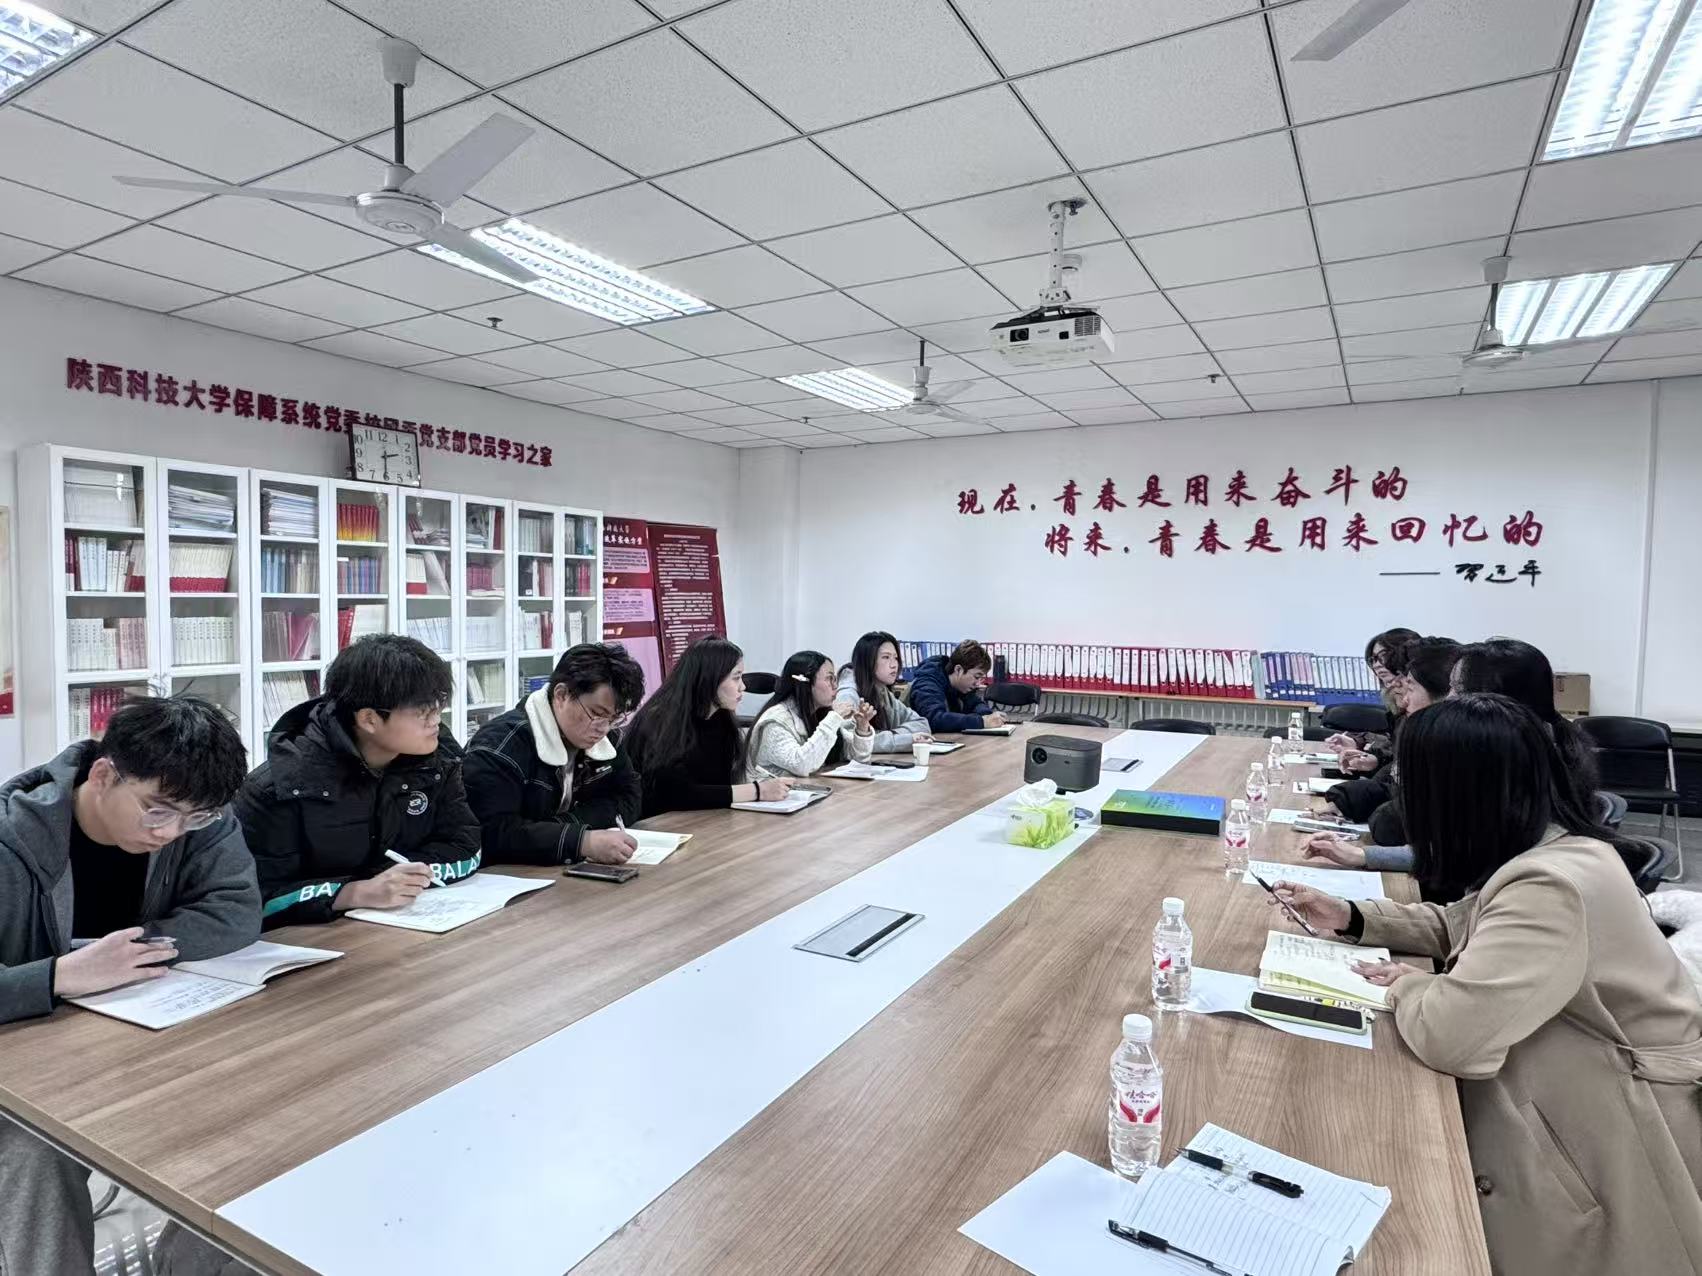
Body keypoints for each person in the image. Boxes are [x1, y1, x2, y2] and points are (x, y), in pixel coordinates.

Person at [1271, 695, 1702, 1276]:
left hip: (1612, 1145)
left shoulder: (1551, 885)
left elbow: (1453, 1038)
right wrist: (1352, 915)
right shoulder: (1555, 849)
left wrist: (1407, 988)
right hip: (1583, 1090)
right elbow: (1465, 923)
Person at [0, 696, 258, 1276]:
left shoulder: (194, 813)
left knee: (256, 1100)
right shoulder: (11, 836)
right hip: (20, 1062)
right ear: (103, 775)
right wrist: (60, 975)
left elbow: (237, 910)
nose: (170, 833)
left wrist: (133, 954)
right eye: (156, 812)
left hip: (135, 1033)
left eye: (194, 819)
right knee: (36, 1151)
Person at [236, 634, 481, 927]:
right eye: (422, 712)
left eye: (438, 706)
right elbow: (253, 900)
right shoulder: (280, 787)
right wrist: (352, 892)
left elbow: (466, 847)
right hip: (315, 939)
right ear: (369, 719)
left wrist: (398, 879)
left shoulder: (438, 760)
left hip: (404, 924)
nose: (436, 721)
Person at [1305, 637, 1602, 878]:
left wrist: (1365, 854)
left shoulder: (1519, 779)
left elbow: (1466, 855)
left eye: (1455, 689)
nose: (1446, 700)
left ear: (1492, 701)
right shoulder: (1530, 754)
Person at [464, 643, 644, 865]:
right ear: (561, 695)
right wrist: (582, 841)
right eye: (597, 713)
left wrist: (566, 828)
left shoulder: (607, 736)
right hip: (504, 875)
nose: (604, 728)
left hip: (561, 867)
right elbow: (492, 833)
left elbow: (630, 798)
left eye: (614, 718)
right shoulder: (501, 745)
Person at [624, 636, 798, 816]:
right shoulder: (662, 720)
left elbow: (718, 785)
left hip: (706, 818)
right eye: (736, 678)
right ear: (710, 678)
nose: (743, 687)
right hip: (659, 822)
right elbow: (675, 793)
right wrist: (757, 791)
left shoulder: (720, 717)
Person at [1316, 635, 1458, 851]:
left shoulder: (1451, 740)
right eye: (1374, 659)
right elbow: (1395, 772)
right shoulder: (1404, 715)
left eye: (1405, 680)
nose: (1379, 666)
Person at [747, 650, 877, 780]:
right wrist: (834, 718)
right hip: (777, 792)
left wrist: (862, 729)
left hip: (809, 788)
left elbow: (857, 758)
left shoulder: (819, 712)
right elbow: (801, 765)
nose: (835, 686)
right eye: (829, 678)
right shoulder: (776, 721)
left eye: (835, 679)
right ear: (805, 683)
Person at [1325, 626, 1418, 774]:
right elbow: (1394, 748)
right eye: (1373, 659)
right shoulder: (1393, 701)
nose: (1377, 664)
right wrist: (1362, 746)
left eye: (1384, 656)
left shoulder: (1424, 706)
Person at [836, 631, 931, 754]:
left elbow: (922, 724)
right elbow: (850, 742)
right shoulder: (848, 695)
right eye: (886, 657)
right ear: (867, 661)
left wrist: (890, 736)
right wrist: (903, 740)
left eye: (895, 658)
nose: (894, 665)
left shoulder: (882, 690)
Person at [906, 639, 1007, 734]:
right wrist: (981, 722)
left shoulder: (961, 686)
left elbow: (975, 703)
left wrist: (988, 715)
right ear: (958, 670)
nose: (978, 683)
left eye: (981, 678)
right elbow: (934, 719)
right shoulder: (928, 682)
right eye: (976, 677)